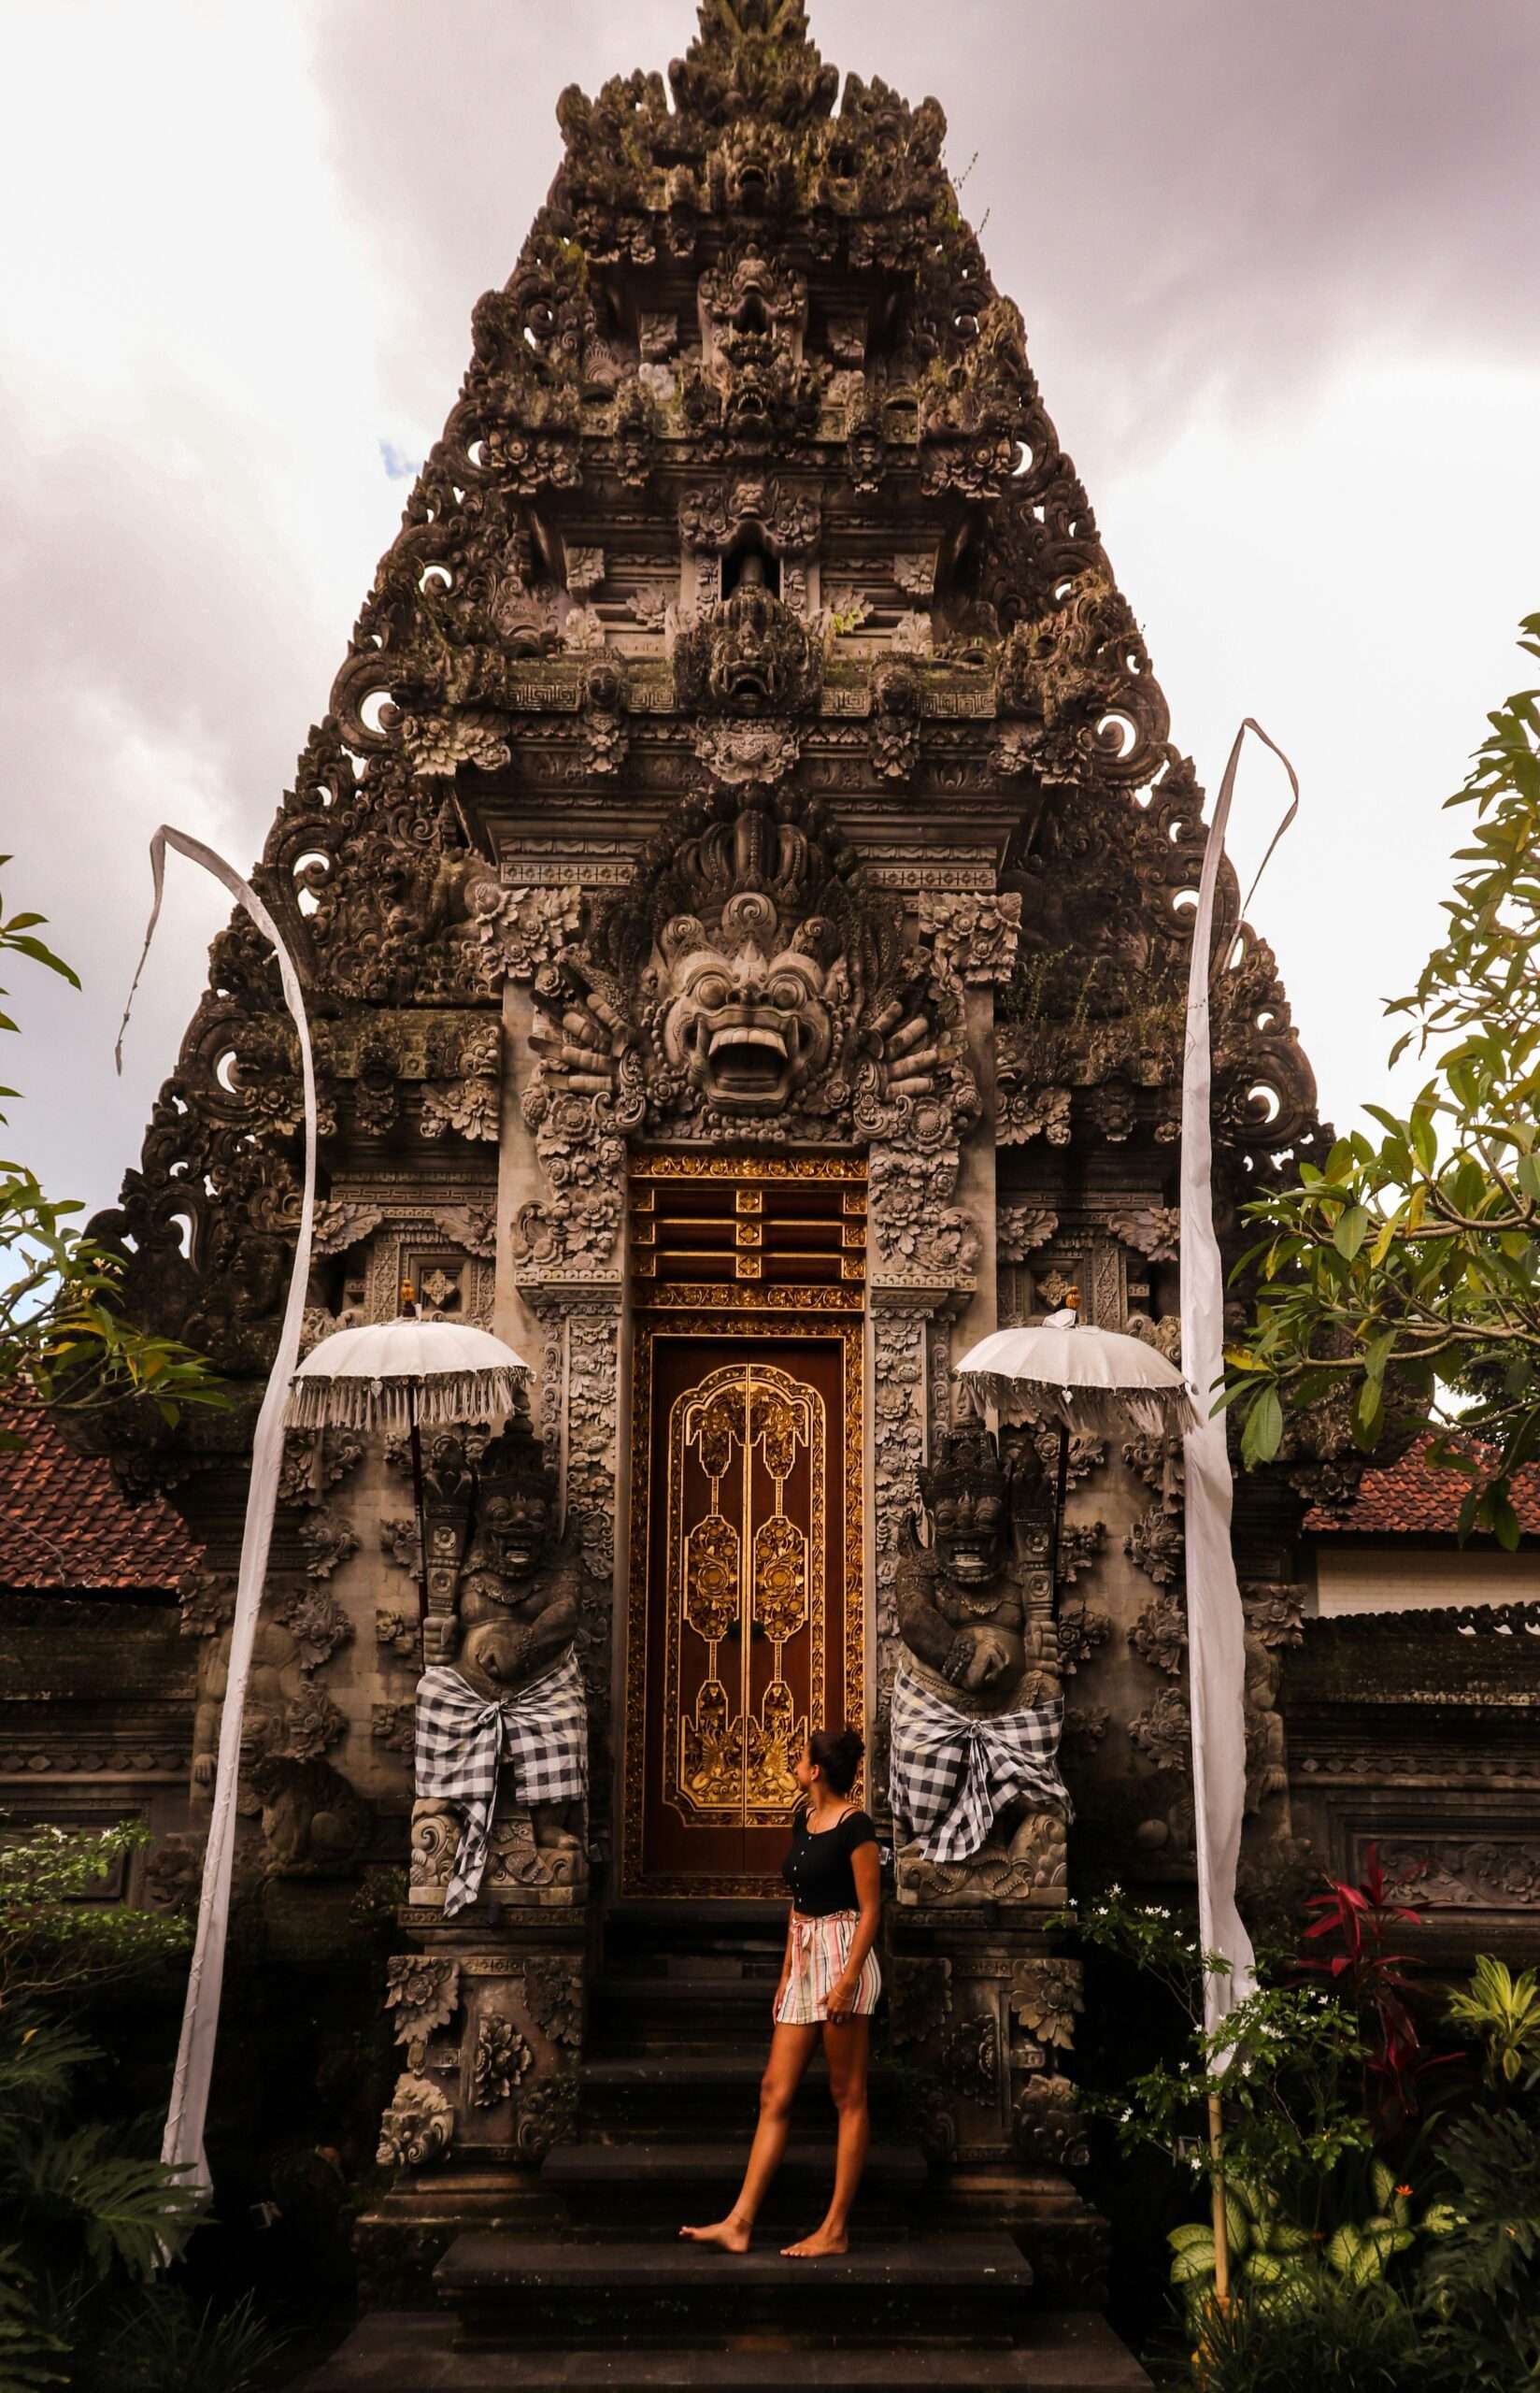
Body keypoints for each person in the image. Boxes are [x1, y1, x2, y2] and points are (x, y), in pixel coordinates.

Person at [680, 1726, 882, 2259]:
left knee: (847, 2095)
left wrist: (847, 1981)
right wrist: (787, 1973)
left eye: (800, 1758)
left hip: (842, 1956)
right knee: (775, 2089)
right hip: (805, 1959)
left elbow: (870, 1911)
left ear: (816, 1771)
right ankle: (739, 2223)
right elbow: (799, 1900)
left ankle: (835, 2230)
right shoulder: (804, 1819)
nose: (793, 1764)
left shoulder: (856, 1827)